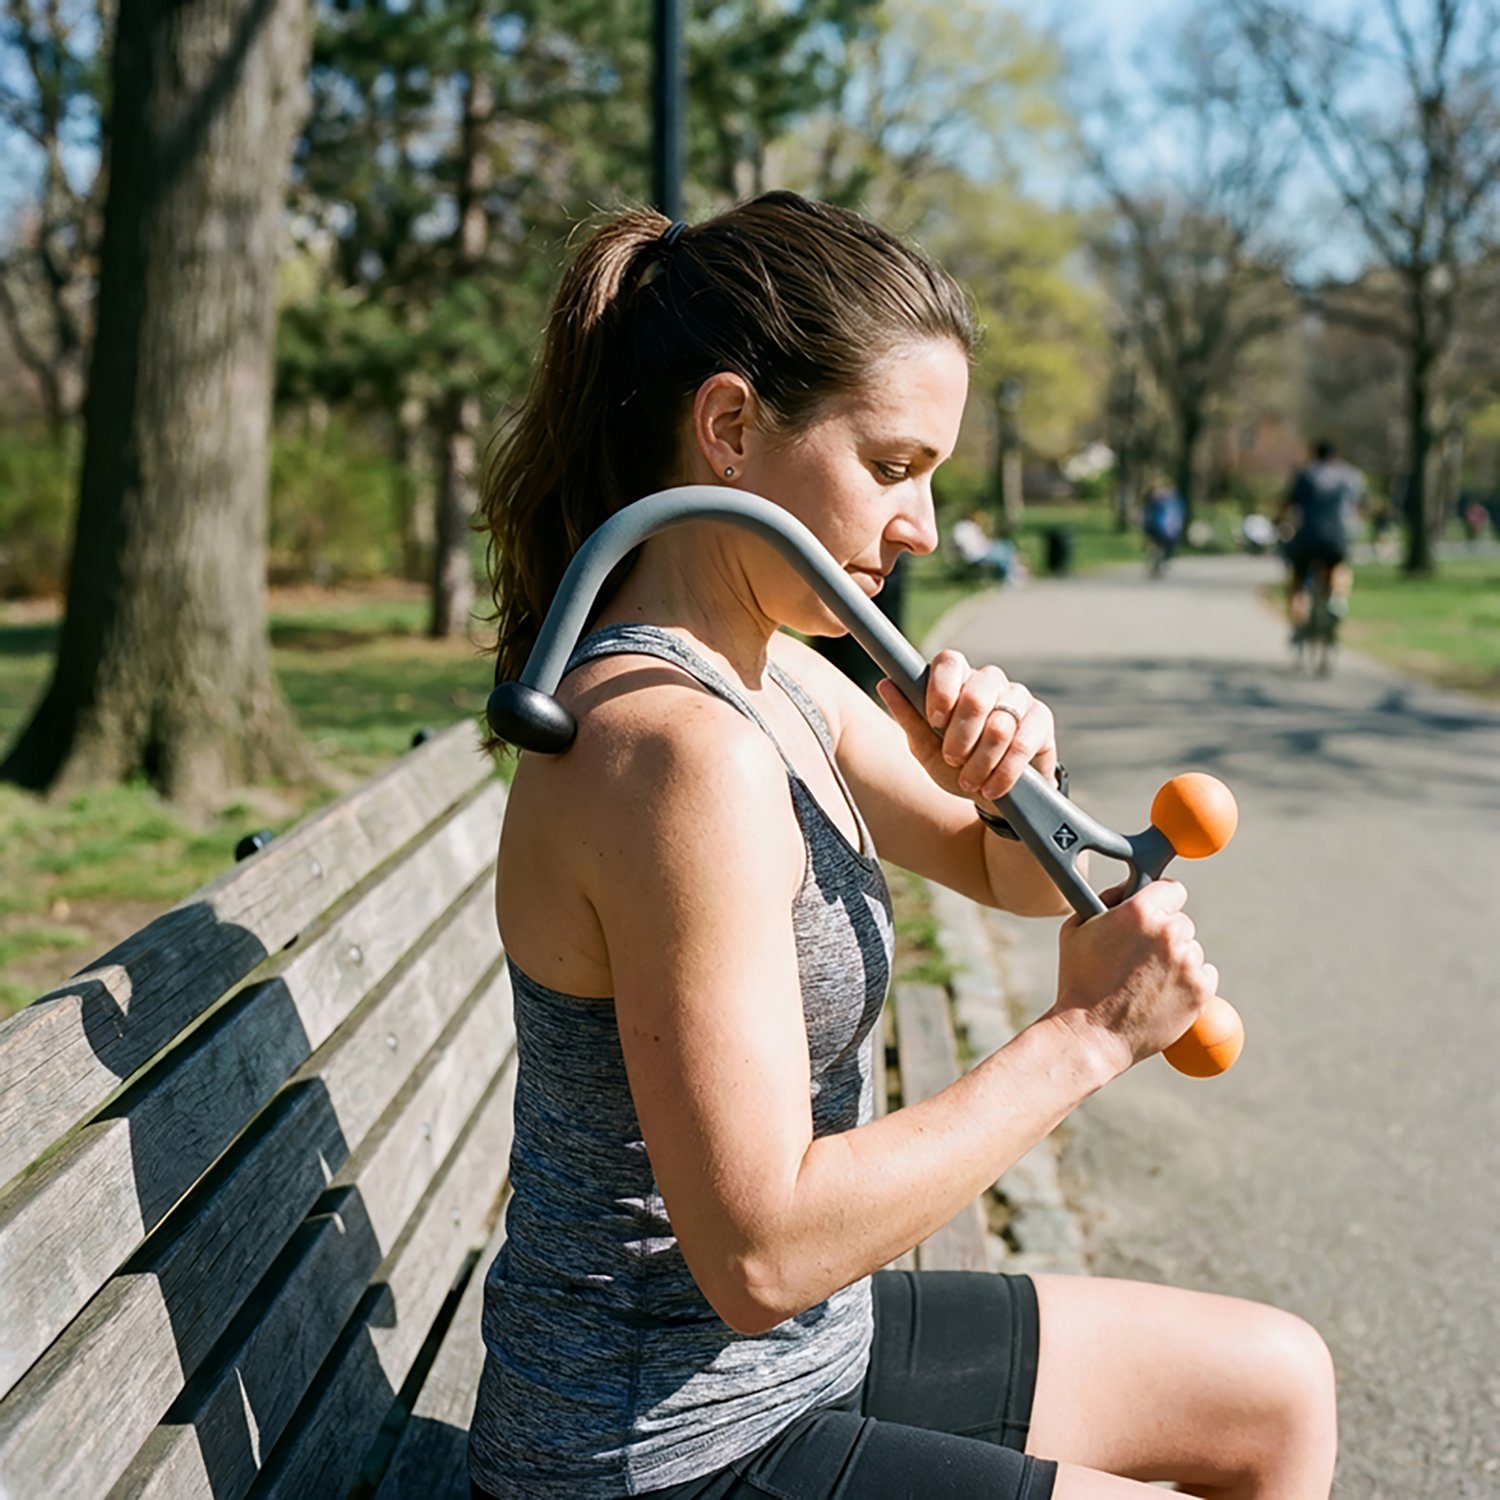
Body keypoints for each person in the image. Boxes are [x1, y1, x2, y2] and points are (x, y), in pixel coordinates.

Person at [471, 192, 1337, 1500]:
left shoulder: (781, 680)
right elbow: (757, 1255)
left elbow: (1008, 870)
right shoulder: (673, 750)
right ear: (728, 427)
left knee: (1279, 1385)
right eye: (892, 466)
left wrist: (1010, 782)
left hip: (803, 1362)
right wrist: (1087, 1039)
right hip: (657, 1454)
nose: (924, 527)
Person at [1281, 440, 1365, 635]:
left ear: (1314, 454)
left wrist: (1280, 522)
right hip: (1338, 537)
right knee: (1338, 568)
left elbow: (1288, 504)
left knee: (1297, 577)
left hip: (1308, 537)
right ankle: (1337, 600)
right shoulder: (1350, 477)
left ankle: (1298, 617)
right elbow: (1360, 505)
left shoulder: (1305, 475)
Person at [1140, 483, 1184, 577]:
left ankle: (1157, 563)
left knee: (1159, 546)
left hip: (1159, 528)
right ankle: (1154, 562)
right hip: (1153, 527)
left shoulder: (1165, 503)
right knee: (1155, 546)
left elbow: (1171, 516)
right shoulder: (1153, 504)